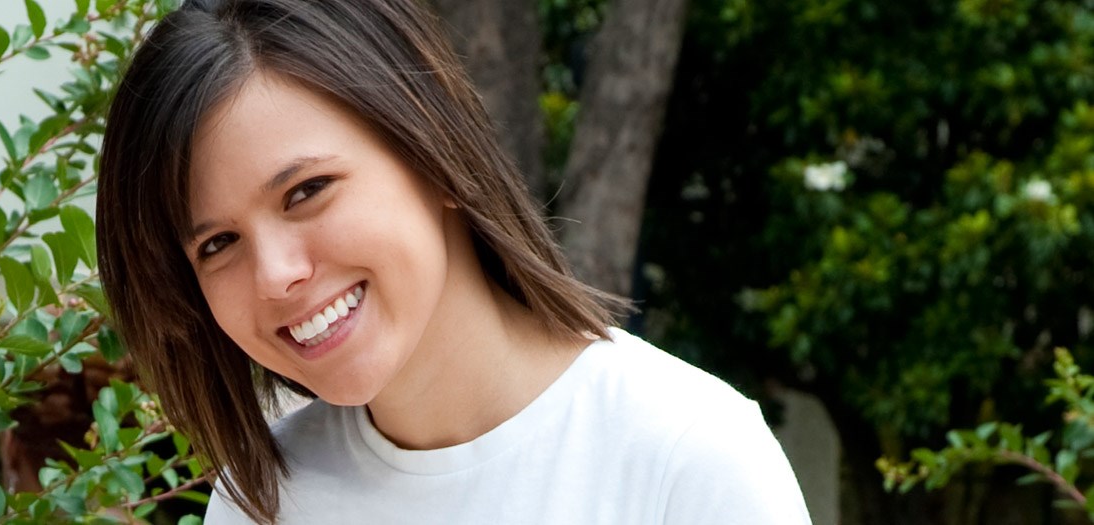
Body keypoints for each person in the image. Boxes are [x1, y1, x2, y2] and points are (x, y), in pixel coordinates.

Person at [93, 0, 812, 523]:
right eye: (217, 244)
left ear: (429, 150)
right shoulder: (265, 502)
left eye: (306, 191)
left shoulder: (687, 458)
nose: (276, 273)